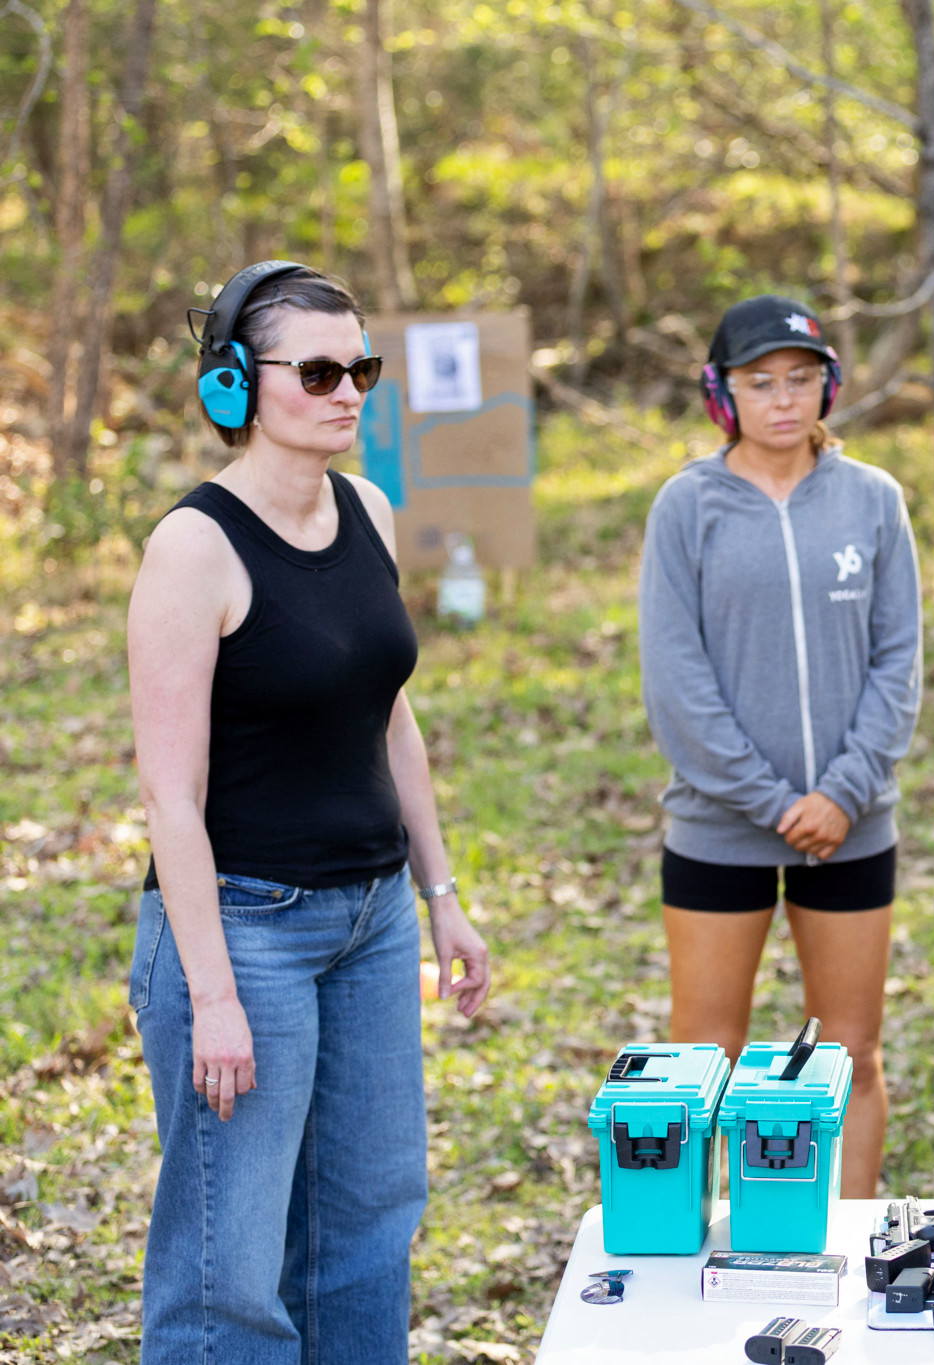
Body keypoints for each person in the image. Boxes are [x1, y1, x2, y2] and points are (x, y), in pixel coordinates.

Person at [127, 261, 491, 1362]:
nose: (349, 392)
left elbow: (390, 720)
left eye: (362, 368)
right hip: (242, 926)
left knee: (370, 1227)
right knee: (226, 1271)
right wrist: (214, 993)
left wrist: (440, 898)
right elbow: (169, 798)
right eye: (321, 370)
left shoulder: (368, 509)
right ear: (235, 385)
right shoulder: (193, 549)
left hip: (370, 922)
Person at [640, 294, 920, 1199]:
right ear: (722, 395)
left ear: (828, 387)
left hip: (851, 822)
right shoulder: (686, 506)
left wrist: (842, 790)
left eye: (800, 380)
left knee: (851, 1053)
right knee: (703, 1060)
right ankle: (690, 1256)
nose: (783, 400)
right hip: (720, 825)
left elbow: (898, 659)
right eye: (759, 383)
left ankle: (850, 1244)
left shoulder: (874, 500)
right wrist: (769, 800)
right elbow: (676, 680)